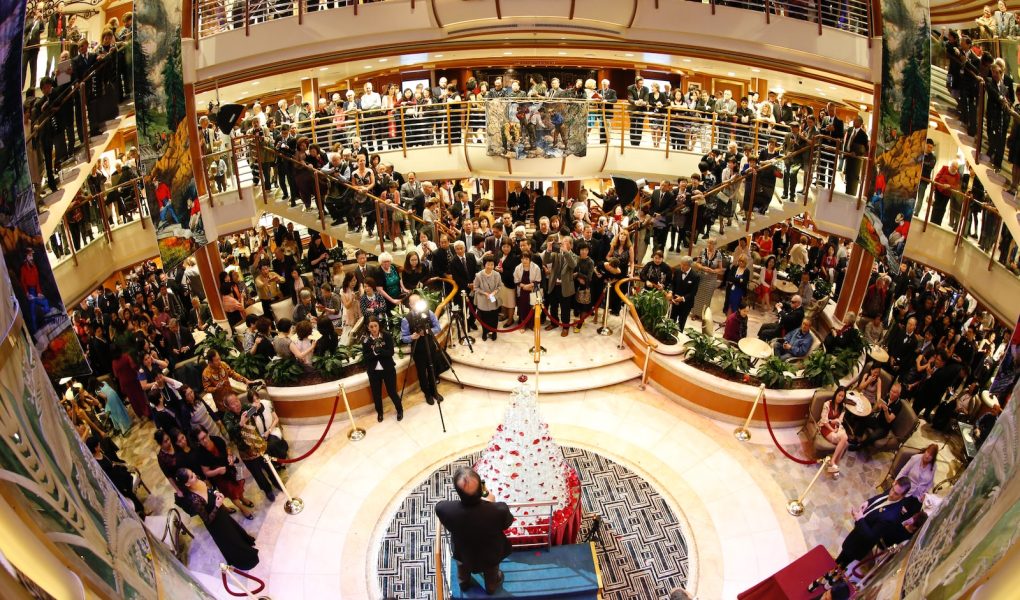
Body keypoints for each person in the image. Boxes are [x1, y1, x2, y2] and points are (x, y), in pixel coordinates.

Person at [808, 478, 920, 592]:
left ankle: (832, 579)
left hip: (860, 544)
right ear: (894, 484)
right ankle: (828, 575)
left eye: (896, 494)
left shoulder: (892, 516)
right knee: (841, 557)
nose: (891, 494)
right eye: (892, 489)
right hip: (856, 535)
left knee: (845, 561)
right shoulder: (891, 492)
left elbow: (871, 537)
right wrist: (868, 502)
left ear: (903, 495)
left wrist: (860, 519)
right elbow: (880, 497)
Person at [435, 467, 515, 595]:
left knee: (462, 568)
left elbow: (441, 506)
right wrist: (489, 500)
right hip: (490, 553)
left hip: (463, 551)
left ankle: (464, 584)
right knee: (491, 572)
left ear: (458, 491)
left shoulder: (444, 509)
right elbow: (507, 524)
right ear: (481, 490)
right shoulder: (499, 510)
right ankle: (491, 588)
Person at [175, 468, 259, 570]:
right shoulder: (194, 500)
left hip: (222, 514)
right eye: (191, 476)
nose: (195, 475)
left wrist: (215, 493)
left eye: (193, 472)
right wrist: (217, 506)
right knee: (231, 540)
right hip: (216, 524)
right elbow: (207, 520)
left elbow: (208, 489)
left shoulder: (199, 481)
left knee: (234, 532)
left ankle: (245, 547)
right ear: (187, 484)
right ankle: (243, 559)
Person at [221, 393, 283, 502]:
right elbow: (231, 432)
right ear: (228, 407)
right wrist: (240, 423)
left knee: (269, 465)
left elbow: (259, 410)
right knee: (258, 474)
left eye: (237, 401)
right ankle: (267, 490)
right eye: (232, 404)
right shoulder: (227, 417)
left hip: (259, 444)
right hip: (246, 452)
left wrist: (258, 406)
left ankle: (277, 483)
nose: (237, 404)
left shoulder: (245, 407)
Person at [194, 425, 255, 520]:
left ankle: (242, 498)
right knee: (232, 494)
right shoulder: (200, 454)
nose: (204, 440)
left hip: (230, 469)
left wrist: (229, 456)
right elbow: (206, 472)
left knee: (238, 486)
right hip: (220, 478)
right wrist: (217, 471)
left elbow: (227, 449)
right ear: (198, 442)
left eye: (205, 437)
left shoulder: (217, 440)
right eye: (201, 440)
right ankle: (242, 508)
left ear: (208, 433)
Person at [400, 293, 449, 405]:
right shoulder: (406, 319)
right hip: (418, 349)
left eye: (419, 302)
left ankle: (434, 391)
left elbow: (437, 327)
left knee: (433, 369)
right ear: (410, 305)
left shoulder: (429, 313)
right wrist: (412, 336)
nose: (417, 304)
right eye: (414, 303)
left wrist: (427, 331)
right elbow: (404, 338)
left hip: (430, 346)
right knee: (422, 373)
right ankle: (427, 393)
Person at [87, 436, 146, 516]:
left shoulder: (101, 453)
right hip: (113, 481)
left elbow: (111, 463)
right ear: (95, 448)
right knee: (127, 491)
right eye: (98, 445)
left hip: (117, 474)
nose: (99, 445)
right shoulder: (95, 463)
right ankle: (139, 511)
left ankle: (139, 509)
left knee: (127, 480)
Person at [362, 317, 403, 421]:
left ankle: (399, 410)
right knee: (376, 394)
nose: (374, 328)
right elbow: (366, 357)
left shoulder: (387, 336)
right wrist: (374, 352)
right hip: (374, 372)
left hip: (388, 369)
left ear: (379, 325)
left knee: (392, 392)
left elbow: (391, 352)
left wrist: (380, 351)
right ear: (368, 328)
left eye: (375, 325)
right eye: (371, 326)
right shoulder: (366, 340)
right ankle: (380, 413)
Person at [820, 386, 850, 475]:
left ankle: (833, 465)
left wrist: (836, 426)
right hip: (825, 428)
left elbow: (840, 420)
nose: (840, 398)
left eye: (842, 396)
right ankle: (833, 462)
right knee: (845, 440)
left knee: (846, 442)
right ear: (836, 394)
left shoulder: (843, 407)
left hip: (836, 428)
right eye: (839, 395)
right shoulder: (827, 404)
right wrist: (832, 428)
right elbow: (824, 420)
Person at [473, 255, 502, 341]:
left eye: (492, 264)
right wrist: (485, 293)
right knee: (484, 317)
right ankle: (485, 332)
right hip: (483, 299)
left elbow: (500, 286)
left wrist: (493, 293)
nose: (490, 266)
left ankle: (494, 332)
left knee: (494, 317)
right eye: (488, 264)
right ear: (484, 264)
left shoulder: (497, 275)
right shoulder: (479, 275)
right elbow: (476, 287)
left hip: (493, 299)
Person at [668, 256, 699, 331]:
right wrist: (671, 292)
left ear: (689, 265)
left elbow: (693, 292)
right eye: (681, 264)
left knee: (681, 322)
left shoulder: (695, 276)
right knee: (672, 319)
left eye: (684, 265)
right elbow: (673, 284)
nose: (682, 266)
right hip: (675, 301)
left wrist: (682, 298)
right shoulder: (677, 271)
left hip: (686, 304)